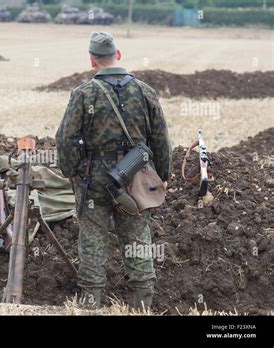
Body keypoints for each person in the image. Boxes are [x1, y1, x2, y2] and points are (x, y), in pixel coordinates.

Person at [56, 32, 172, 310]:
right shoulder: (145, 91)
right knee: (138, 239)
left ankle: (90, 303)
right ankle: (142, 306)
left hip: (94, 179)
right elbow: (161, 139)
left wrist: (72, 172)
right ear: (118, 55)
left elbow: (66, 139)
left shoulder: (83, 93)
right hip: (135, 177)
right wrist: (162, 175)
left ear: (92, 60)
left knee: (93, 241)